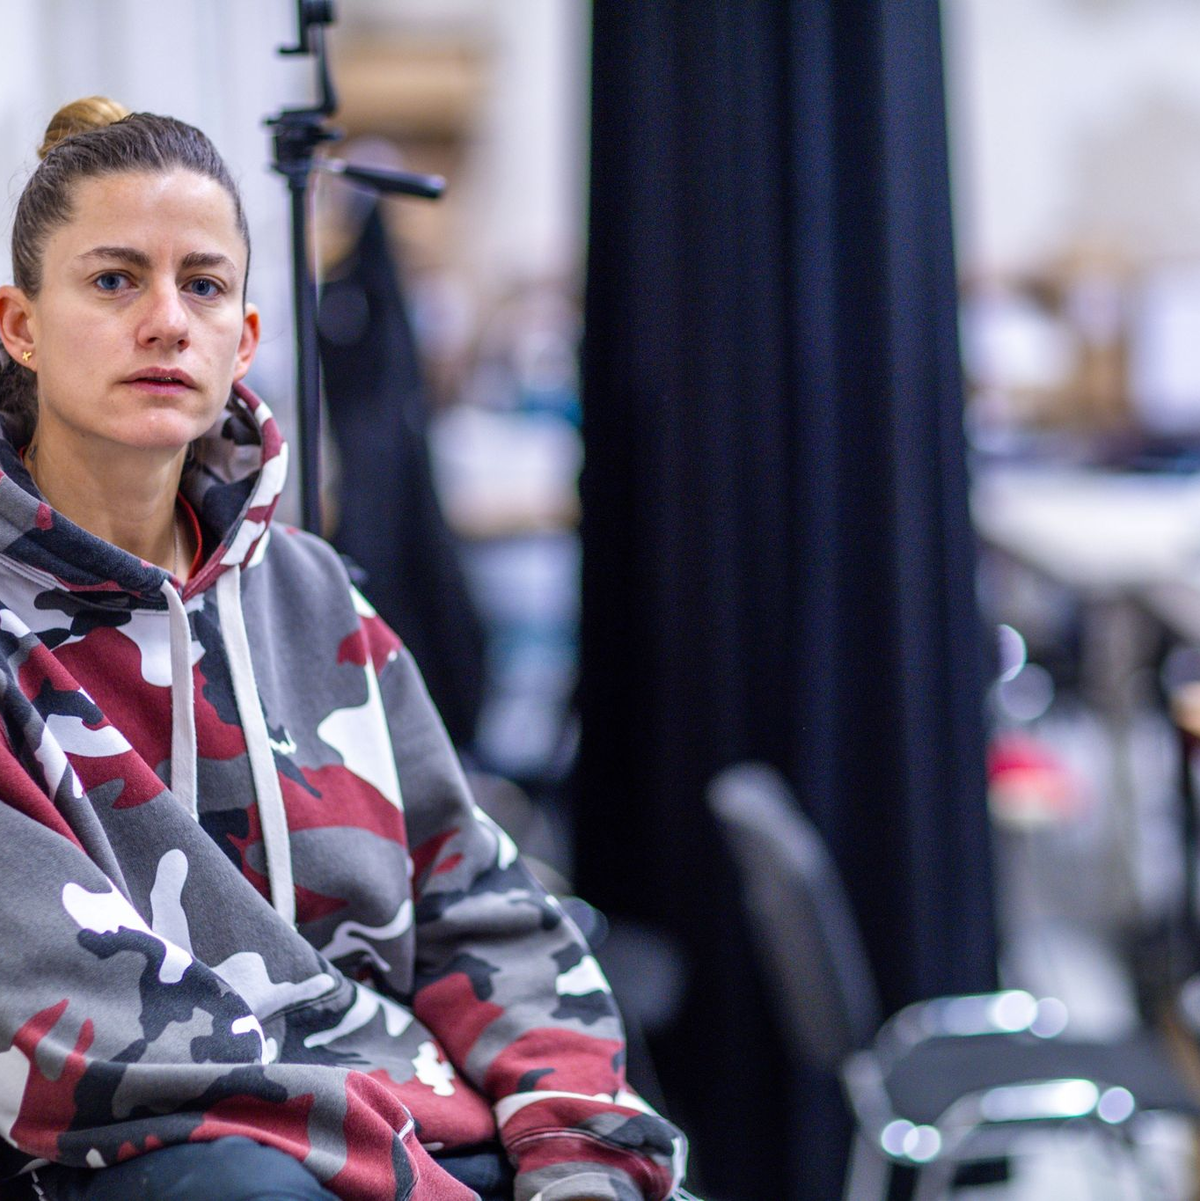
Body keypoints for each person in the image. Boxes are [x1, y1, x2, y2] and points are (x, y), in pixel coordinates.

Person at [0, 98, 687, 1201]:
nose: (168, 321)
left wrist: (579, 1152)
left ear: (247, 339)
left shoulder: (309, 589)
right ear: (21, 325)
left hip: (397, 1122)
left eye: (205, 285)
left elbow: (477, 900)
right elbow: (66, 1027)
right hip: (152, 1153)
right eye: (115, 280)